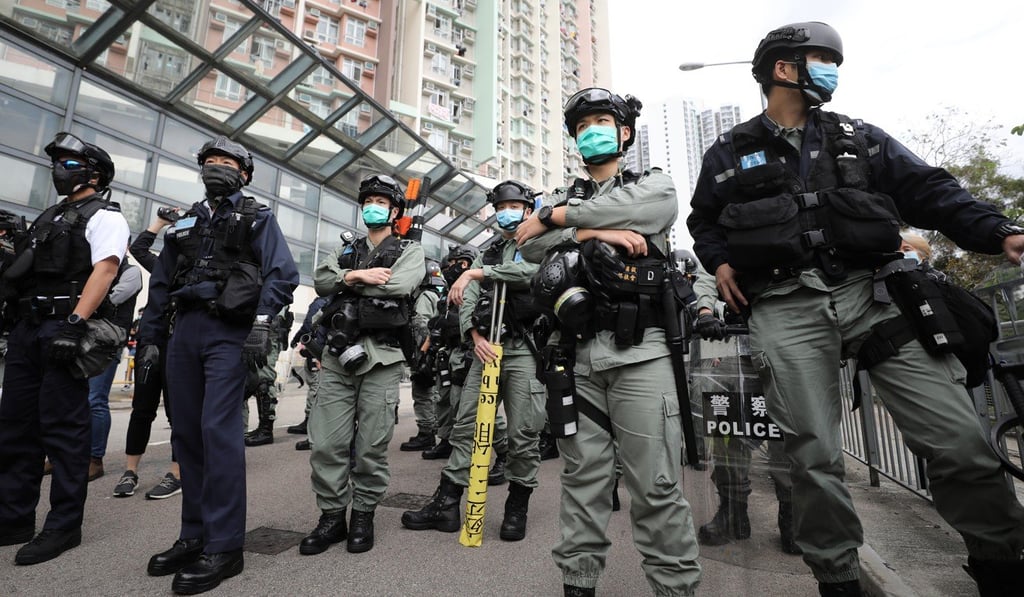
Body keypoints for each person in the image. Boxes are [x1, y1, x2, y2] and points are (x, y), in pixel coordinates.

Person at [686, 21, 1024, 597]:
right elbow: (705, 221)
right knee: (813, 457)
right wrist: (717, 262)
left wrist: (1000, 232)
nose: (831, 70)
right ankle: (838, 578)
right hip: (785, 305)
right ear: (783, 69)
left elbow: (930, 190)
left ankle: (1000, 563)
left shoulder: (857, 137)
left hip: (875, 298)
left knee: (960, 443)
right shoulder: (729, 149)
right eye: (819, 59)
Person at [515, 88, 702, 596]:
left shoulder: (651, 182)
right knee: (582, 482)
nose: (592, 131)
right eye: (582, 126)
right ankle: (579, 584)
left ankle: (675, 588)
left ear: (624, 132)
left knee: (657, 486)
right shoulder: (563, 194)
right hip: (574, 357)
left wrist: (561, 220)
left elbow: (655, 209)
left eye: (602, 121)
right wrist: (588, 234)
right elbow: (525, 246)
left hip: (641, 354)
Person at [136, 136, 298, 594]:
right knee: (186, 434)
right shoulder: (185, 221)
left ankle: (225, 547)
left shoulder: (257, 217)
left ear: (243, 173)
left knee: (218, 433)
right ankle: (194, 536)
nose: (216, 168)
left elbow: (282, 274)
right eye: (209, 161)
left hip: (230, 330)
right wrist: (150, 340)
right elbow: (162, 282)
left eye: (226, 162)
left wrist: (262, 323)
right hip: (183, 330)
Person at [0, 132, 129, 565]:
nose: (60, 170)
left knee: (64, 431)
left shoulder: (104, 216)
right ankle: (15, 517)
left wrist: (75, 324)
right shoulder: (49, 216)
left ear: (94, 173)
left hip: (64, 329)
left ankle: (63, 526)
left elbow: (106, 270)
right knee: (15, 428)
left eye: (71, 164)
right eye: (58, 162)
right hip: (27, 329)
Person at [401, 180, 544, 541]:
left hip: (524, 350)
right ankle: (446, 504)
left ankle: (517, 506)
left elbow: (532, 274)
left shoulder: (540, 242)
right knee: (465, 427)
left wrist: (479, 272)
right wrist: (475, 337)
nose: (506, 211)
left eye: (514, 205)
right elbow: (466, 298)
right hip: (486, 349)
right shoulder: (490, 250)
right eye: (501, 206)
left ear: (528, 209)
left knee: (524, 431)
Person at [300, 173, 424, 556]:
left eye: (382, 202)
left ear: (395, 210)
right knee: (327, 444)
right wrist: (355, 274)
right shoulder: (346, 251)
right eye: (368, 200)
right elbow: (321, 279)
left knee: (371, 447)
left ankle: (363, 516)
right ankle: (332, 517)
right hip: (338, 358)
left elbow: (400, 286)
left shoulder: (409, 250)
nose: (373, 207)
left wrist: (345, 283)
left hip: (382, 359)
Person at [690, 264, 799, 555]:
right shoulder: (721, 235)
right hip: (734, 341)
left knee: (787, 433)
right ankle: (733, 511)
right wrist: (705, 312)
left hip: (785, 337)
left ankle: (792, 515)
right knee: (727, 433)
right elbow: (706, 277)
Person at [112, 208, 183, 500]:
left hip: (181, 346)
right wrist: (161, 222)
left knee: (179, 412)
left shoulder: (199, 273)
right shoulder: (162, 267)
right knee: (142, 409)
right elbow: (139, 247)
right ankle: (130, 471)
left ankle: (177, 473)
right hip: (151, 343)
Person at [86, 252, 143, 482]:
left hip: (106, 342)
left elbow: (107, 301)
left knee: (95, 399)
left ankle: (94, 459)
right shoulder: (91, 265)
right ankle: (62, 455)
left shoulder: (131, 272)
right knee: (71, 399)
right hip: (82, 337)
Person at [399, 258, 445, 452]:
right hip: (437, 352)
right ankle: (434, 431)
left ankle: (427, 433)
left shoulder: (425, 296)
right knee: (434, 393)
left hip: (425, 352)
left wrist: (423, 354)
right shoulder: (438, 295)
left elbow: (420, 324)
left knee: (423, 392)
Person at [242, 305, 291, 446]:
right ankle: (261, 429)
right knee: (256, 379)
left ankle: (266, 430)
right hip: (259, 329)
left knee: (264, 380)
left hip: (268, 331)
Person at [288, 294, 330, 451]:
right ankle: (311, 427)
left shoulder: (324, 300)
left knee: (317, 391)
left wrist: (302, 339)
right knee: (315, 388)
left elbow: (309, 323)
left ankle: (314, 432)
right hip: (318, 348)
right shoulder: (328, 299)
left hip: (318, 350)